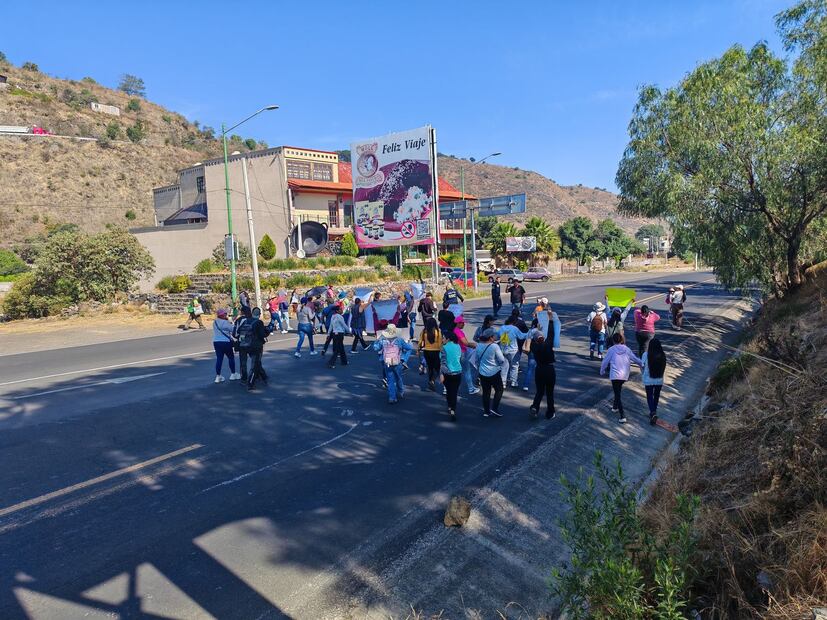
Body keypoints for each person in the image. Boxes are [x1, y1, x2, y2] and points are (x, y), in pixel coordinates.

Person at [600, 332, 643, 424]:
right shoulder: (627, 349)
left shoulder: (611, 349)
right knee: (618, 391)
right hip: (624, 375)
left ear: (613, 340)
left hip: (615, 375)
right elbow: (635, 359)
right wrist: (642, 364)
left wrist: (602, 371)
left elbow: (605, 361)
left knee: (617, 394)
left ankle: (622, 415)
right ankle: (615, 407)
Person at [373, 324, 413, 404]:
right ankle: (401, 391)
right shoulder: (399, 340)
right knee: (398, 377)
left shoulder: (383, 340)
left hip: (387, 362)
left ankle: (392, 397)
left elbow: (375, 348)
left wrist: (377, 340)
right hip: (397, 362)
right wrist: (404, 359)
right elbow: (409, 348)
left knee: (390, 380)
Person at [474, 328, 506, 417]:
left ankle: (486, 411)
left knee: (486, 392)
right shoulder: (494, 346)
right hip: (494, 371)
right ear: (491, 337)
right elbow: (502, 359)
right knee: (499, 389)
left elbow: (476, 359)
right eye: (494, 336)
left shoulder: (479, 345)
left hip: (482, 372)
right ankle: (495, 408)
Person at [529, 329, 556, 419]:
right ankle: (550, 412)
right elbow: (552, 333)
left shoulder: (534, 346)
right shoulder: (548, 344)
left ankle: (535, 407)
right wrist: (550, 320)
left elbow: (530, 338)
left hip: (539, 369)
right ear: (543, 337)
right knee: (549, 392)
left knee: (539, 391)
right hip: (549, 369)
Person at [641, 337, 667, 426]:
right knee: (656, 396)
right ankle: (654, 411)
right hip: (659, 379)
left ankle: (653, 412)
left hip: (648, 379)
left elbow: (642, 365)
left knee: (649, 396)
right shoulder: (663, 355)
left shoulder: (646, 354)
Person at [453, 316, 479, 395]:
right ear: (458, 323)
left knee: (457, 371)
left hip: (457, 352)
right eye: (462, 323)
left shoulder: (454, 330)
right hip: (462, 353)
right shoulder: (458, 332)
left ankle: (450, 388)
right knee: (467, 371)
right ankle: (471, 388)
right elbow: (465, 343)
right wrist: (474, 345)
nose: (464, 324)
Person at [498, 314, 527, 387]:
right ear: (514, 322)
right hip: (513, 350)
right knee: (514, 366)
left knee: (504, 366)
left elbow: (497, 336)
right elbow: (521, 336)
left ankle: (503, 382)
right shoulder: (514, 328)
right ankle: (513, 381)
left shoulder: (502, 328)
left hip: (503, 349)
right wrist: (530, 333)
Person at [440, 330, 463, 422]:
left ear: (448, 339)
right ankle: (453, 408)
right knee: (454, 391)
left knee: (449, 391)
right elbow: (460, 358)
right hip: (458, 372)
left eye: (443, 337)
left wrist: (441, 374)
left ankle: (450, 406)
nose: (442, 339)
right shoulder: (458, 346)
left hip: (447, 373)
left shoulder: (444, 348)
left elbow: (442, 362)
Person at [212, 308, 239, 383]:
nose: (226, 315)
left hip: (216, 342)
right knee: (230, 357)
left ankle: (218, 376)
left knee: (219, 359)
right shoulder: (225, 323)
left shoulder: (215, 322)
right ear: (223, 315)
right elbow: (233, 329)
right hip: (226, 342)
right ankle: (233, 374)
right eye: (225, 314)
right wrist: (232, 322)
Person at [245, 307, 268, 390]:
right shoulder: (259, 322)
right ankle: (250, 382)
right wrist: (267, 331)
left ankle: (263, 376)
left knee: (256, 361)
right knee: (255, 364)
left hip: (247, 344)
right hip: (257, 345)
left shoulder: (247, 320)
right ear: (259, 314)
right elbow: (262, 335)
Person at [418, 317, 443, 390]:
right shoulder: (438, 331)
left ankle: (430, 380)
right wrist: (442, 351)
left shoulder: (424, 331)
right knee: (437, 368)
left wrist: (418, 350)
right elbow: (440, 343)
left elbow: (420, 341)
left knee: (430, 367)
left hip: (427, 351)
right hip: (436, 351)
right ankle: (432, 380)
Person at [232, 311, 250, 383]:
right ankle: (257, 374)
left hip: (242, 342)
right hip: (252, 342)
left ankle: (244, 377)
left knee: (243, 360)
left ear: (241, 312)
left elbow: (235, 334)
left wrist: (239, 337)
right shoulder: (252, 319)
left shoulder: (238, 320)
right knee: (255, 359)